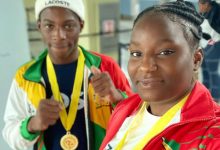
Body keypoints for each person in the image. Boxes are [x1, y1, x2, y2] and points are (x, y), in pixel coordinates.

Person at [2, 0, 132, 150]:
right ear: (39, 26)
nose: (59, 35)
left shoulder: (105, 67)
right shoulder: (25, 77)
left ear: (81, 25)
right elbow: (10, 134)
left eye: (68, 26)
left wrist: (116, 97)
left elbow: (139, 120)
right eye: (49, 26)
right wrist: (33, 124)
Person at [100, 1, 220, 149]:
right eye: (136, 53)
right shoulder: (125, 109)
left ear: (196, 59)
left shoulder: (212, 134)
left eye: (164, 52)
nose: (145, 66)